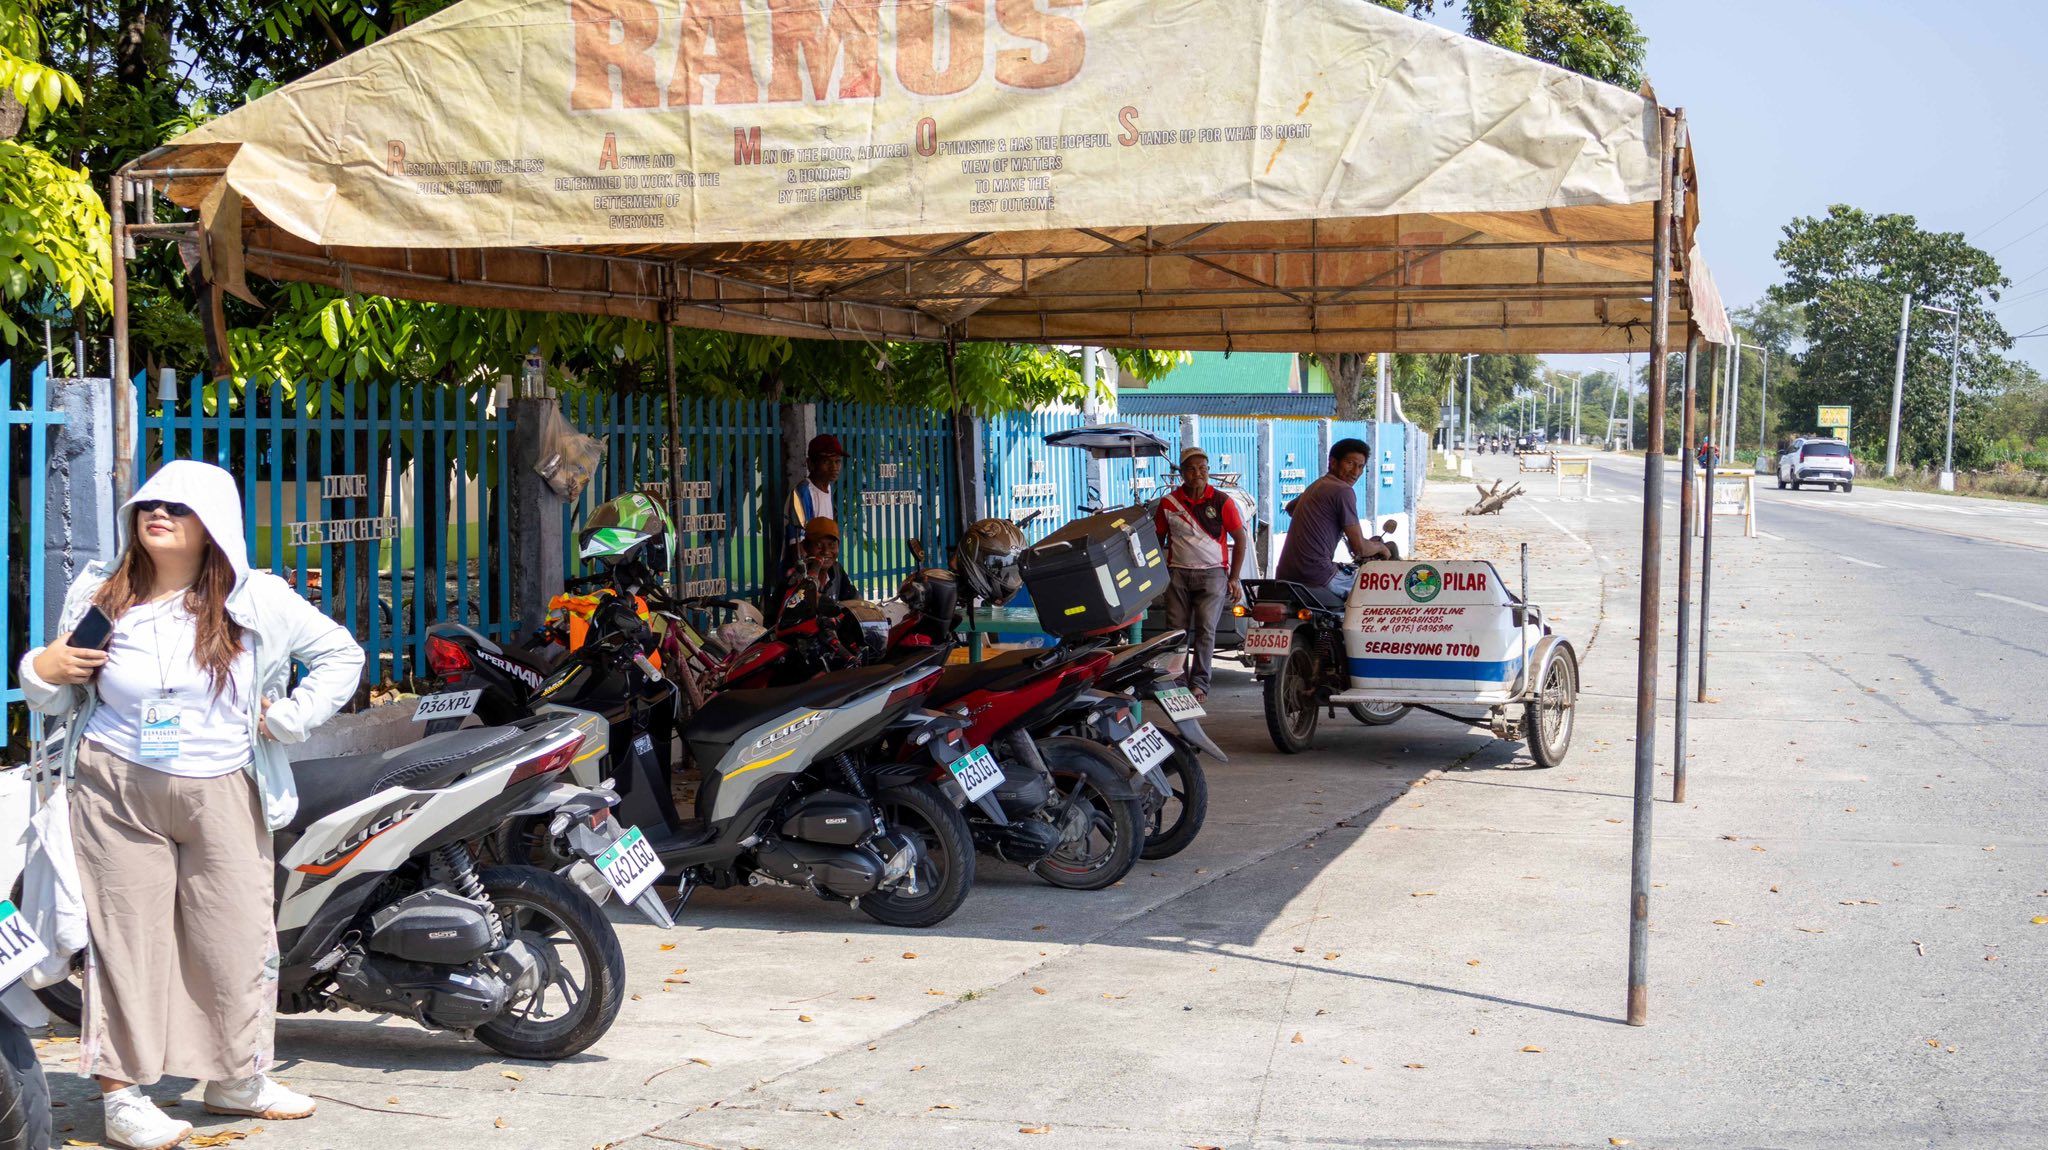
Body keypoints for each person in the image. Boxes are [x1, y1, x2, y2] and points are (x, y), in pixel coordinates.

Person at [19, 460, 364, 1150]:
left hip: (226, 785)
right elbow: (56, 693)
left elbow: (341, 655)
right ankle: (122, 1097)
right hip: (116, 787)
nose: (160, 514)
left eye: (179, 508)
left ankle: (237, 1078)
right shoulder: (101, 592)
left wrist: (290, 718)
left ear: (213, 526)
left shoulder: (256, 598)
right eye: (151, 504)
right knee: (126, 943)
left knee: (235, 938)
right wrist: (41, 669)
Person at [1154, 446, 1249, 701]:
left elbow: (1241, 539)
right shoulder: (1169, 503)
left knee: (1206, 629)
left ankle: (1199, 685)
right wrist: (1157, 575)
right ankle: (1177, 682)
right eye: (1192, 469)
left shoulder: (1222, 501)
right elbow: (1157, 540)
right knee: (1175, 631)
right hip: (1177, 575)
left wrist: (1234, 577)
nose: (1198, 473)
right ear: (1182, 473)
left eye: (1203, 469)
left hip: (1213, 574)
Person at [1274, 438, 1389, 599]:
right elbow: (1360, 548)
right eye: (1350, 463)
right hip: (1318, 575)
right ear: (1333, 462)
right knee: (1382, 589)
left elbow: (1290, 508)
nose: (1355, 472)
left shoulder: (1318, 485)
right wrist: (1381, 548)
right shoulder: (1343, 491)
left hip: (1286, 575)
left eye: (1360, 466)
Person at [796, 516, 859, 602]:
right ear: (806, 546)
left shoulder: (836, 570)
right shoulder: (798, 576)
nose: (826, 551)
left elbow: (856, 601)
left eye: (831, 545)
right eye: (818, 545)